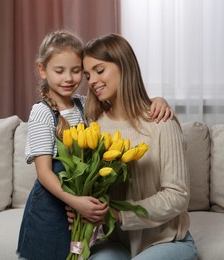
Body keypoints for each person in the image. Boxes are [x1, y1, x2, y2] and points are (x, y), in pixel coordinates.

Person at [16, 30, 173, 260]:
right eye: (59, 71)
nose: (68, 78)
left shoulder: (85, 105)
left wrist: (157, 100)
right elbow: (43, 173)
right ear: (42, 70)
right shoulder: (42, 113)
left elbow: (127, 103)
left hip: (80, 206)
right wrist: (76, 202)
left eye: (76, 70)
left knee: (78, 254)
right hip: (52, 208)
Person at [80, 33, 198, 260]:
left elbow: (178, 195)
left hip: (168, 241)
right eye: (88, 75)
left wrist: (118, 214)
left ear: (123, 66)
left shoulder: (161, 122)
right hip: (117, 242)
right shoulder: (95, 128)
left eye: (99, 70)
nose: (92, 80)